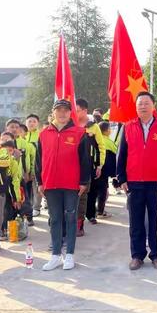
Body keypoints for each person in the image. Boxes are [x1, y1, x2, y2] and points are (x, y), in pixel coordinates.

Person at [117, 91, 157, 271]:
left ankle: (156, 255)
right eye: (139, 103)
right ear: (136, 107)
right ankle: (137, 255)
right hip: (134, 182)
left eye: (146, 103)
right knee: (136, 220)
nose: (143, 106)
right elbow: (121, 154)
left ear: (153, 106)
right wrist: (121, 178)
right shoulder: (128, 126)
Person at [36, 100, 91, 271]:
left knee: (70, 217)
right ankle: (55, 256)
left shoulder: (80, 133)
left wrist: (83, 182)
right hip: (51, 183)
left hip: (71, 184)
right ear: (53, 113)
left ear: (70, 113)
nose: (62, 113)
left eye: (65, 111)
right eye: (58, 110)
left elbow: (85, 161)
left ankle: (70, 255)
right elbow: (39, 161)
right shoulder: (44, 134)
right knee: (55, 219)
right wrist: (40, 182)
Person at [76, 98, 106, 233]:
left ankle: (79, 224)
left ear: (84, 110)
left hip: (87, 166)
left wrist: (99, 165)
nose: (74, 113)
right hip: (70, 166)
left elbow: (101, 146)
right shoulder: (69, 124)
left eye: (77, 110)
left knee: (83, 195)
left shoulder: (93, 126)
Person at [5, 119, 34, 226]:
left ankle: (27, 217)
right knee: (10, 200)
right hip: (7, 178)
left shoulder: (24, 143)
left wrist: (28, 172)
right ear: (6, 128)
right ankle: (11, 219)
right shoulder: (2, 143)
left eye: (17, 127)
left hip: (21, 176)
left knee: (23, 197)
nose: (14, 129)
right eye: (12, 127)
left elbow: (28, 158)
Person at [93, 121, 117, 218]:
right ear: (106, 131)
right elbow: (116, 151)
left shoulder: (94, 139)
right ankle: (100, 212)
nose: (110, 130)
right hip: (104, 171)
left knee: (93, 191)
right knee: (103, 192)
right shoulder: (108, 141)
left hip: (94, 169)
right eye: (109, 129)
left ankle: (92, 211)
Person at [25, 114, 43, 217]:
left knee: (37, 188)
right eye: (29, 121)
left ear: (37, 123)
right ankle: (28, 207)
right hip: (25, 167)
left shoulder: (41, 135)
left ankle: (36, 207)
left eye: (34, 121)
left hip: (37, 166)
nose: (31, 123)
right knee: (27, 189)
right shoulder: (23, 135)